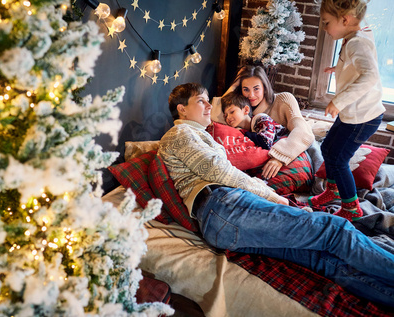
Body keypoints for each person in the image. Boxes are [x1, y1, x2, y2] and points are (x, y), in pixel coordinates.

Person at [158, 82, 394, 307]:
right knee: (334, 229)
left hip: (221, 223)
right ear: (182, 109)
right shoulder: (179, 134)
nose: (210, 106)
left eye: (209, 101)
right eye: (201, 101)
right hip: (223, 205)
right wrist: (273, 197)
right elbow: (218, 172)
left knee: (322, 259)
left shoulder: (200, 135)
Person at [308, 0, 385, 221]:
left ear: (344, 19)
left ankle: (352, 206)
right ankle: (333, 190)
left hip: (363, 118)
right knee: (327, 149)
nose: (325, 27)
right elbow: (361, 63)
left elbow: (370, 75)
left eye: (326, 21)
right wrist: (339, 68)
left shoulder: (356, 42)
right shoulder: (356, 35)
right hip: (353, 115)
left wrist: (338, 101)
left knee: (338, 159)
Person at [222, 65, 314, 179]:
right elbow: (216, 111)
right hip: (265, 156)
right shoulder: (240, 110)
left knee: (314, 149)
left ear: (265, 87)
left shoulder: (283, 99)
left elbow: (303, 131)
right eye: (246, 89)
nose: (251, 95)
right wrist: (235, 84)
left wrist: (279, 157)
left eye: (256, 88)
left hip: (291, 146)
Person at [221, 91, 289, 150]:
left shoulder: (261, 119)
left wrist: (244, 133)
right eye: (225, 116)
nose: (228, 118)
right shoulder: (241, 130)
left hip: (288, 143)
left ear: (246, 110)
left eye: (232, 112)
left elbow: (265, 143)